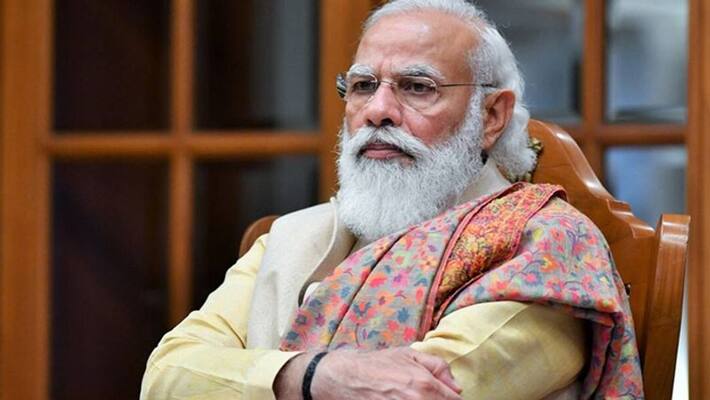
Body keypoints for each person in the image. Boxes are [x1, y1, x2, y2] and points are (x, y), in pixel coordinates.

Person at [141, 1, 643, 399]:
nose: (377, 110)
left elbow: (420, 391)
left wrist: (254, 377)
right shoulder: (291, 238)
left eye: (417, 87)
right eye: (363, 86)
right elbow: (165, 376)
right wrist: (312, 376)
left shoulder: (547, 246)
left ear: (491, 116)